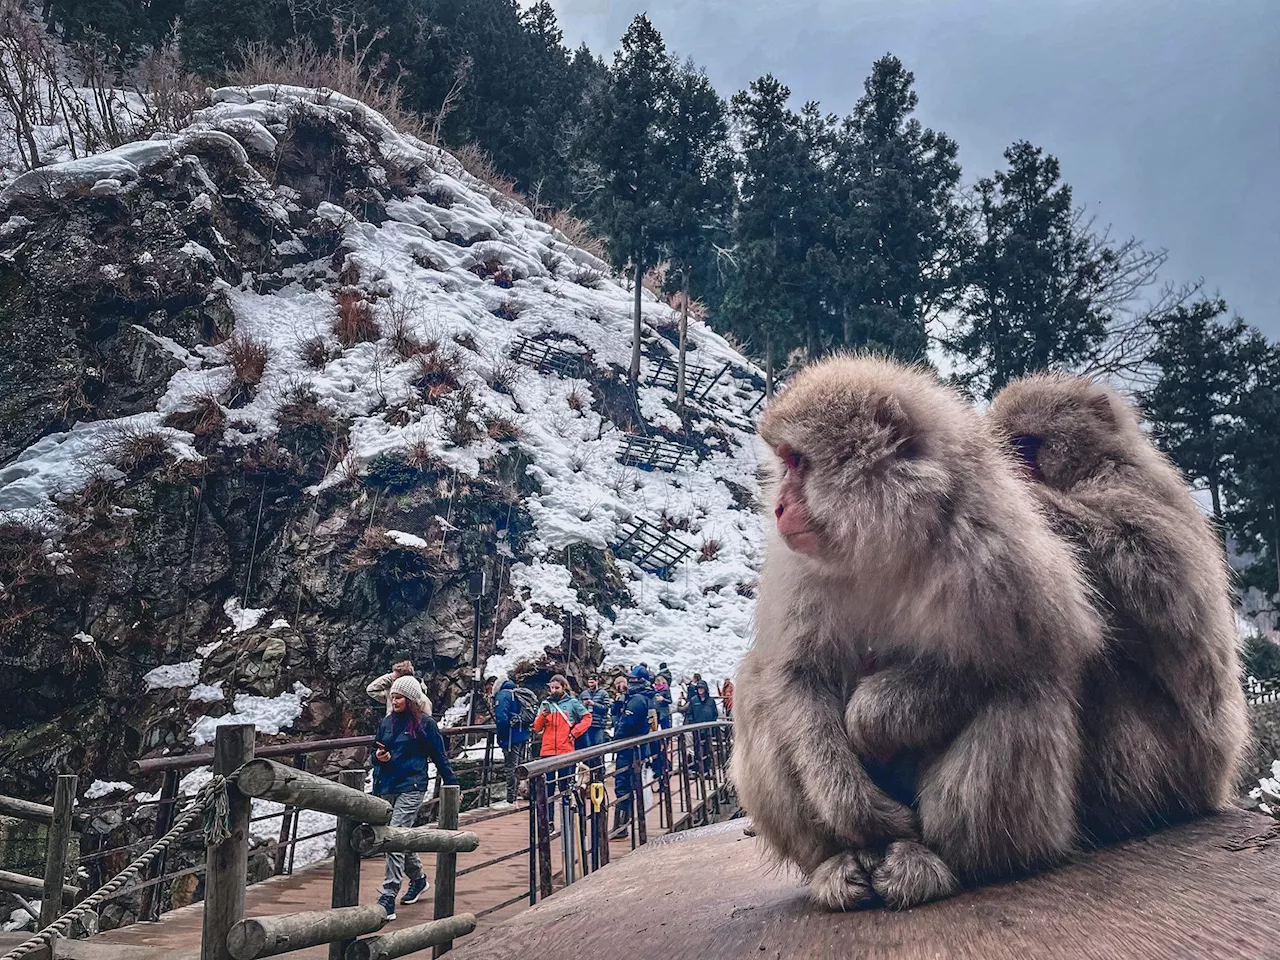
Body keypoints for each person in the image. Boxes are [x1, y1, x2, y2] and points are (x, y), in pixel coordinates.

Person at [371, 675, 456, 921]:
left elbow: (439, 756)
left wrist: (452, 785)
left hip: (412, 785)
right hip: (387, 785)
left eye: (398, 697)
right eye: (392, 696)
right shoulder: (387, 723)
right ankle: (418, 879)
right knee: (400, 837)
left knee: (395, 836)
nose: (393, 700)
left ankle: (388, 895)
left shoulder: (425, 724)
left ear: (410, 699)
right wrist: (379, 757)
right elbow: (373, 754)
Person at [532, 675, 591, 824]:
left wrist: (575, 732)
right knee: (548, 787)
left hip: (565, 750)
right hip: (548, 750)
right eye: (552, 688)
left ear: (564, 687)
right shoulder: (546, 704)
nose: (553, 690)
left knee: (565, 786)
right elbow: (537, 727)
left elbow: (587, 717)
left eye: (556, 688)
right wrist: (542, 716)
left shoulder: (572, 703)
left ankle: (567, 819)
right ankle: (549, 821)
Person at [610, 666, 653, 834]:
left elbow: (626, 723)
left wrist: (616, 739)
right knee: (635, 784)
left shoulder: (637, 700)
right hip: (639, 747)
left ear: (638, 680)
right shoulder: (646, 697)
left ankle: (621, 826)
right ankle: (631, 823)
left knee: (623, 784)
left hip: (628, 748)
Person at [492, 677, 532, 807]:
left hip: (510, 737)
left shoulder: (503, 695)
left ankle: (511, 799)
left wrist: (501, 736)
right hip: (522, 735)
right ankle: (518, 795)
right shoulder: (517, 693)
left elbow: (501, 718)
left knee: (511, 767)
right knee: (519, 765)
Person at [683, 680, 719, 776]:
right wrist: (692, 723)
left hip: (707, 729)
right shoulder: (694, 700)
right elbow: (689, 713)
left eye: (702, 688)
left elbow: (715, 713)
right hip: (696, 729)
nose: (700, 690)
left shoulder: (711, 701)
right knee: (697, 749)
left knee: (707, 749)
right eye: (698, 688)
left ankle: (706, 770)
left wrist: (711, 723)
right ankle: (697, 770)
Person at [579, 676, 611, 770]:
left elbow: (606, 708)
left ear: (597, 681)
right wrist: (583, 704)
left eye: (592, 682)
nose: (591, 685)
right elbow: (578, 706)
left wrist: (594, 704)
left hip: (599, 725)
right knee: (587, 750)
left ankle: (600, 772)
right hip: (587, 725)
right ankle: (588, 773)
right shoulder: (584, 693)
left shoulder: (603, 693)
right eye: (589, 683)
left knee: (599, 750)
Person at [651, 675, 674, 779]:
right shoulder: (654, 690)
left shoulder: (665, 689)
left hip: (664, 714)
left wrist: (663, 699)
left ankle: (665, 744)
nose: (657, 684)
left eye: (658, 682)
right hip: (656, 714)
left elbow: (670, 701)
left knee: (665, 731)